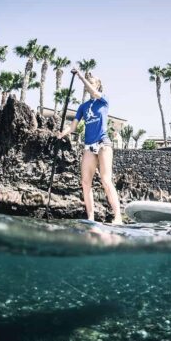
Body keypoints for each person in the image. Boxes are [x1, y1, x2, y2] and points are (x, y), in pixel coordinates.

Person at [57, 68, 122, 224]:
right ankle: (91, 217)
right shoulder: (83, 107)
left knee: (106, 180)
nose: (88, 85)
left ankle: (118, 217)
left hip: (103, 143)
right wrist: (62, 133)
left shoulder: (103, 100)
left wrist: (80, 76)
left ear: (98, 85)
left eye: (92, 82)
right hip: (89, 146)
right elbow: (72, 127)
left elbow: (93, 92)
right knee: (85, 182)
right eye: (88, 82)